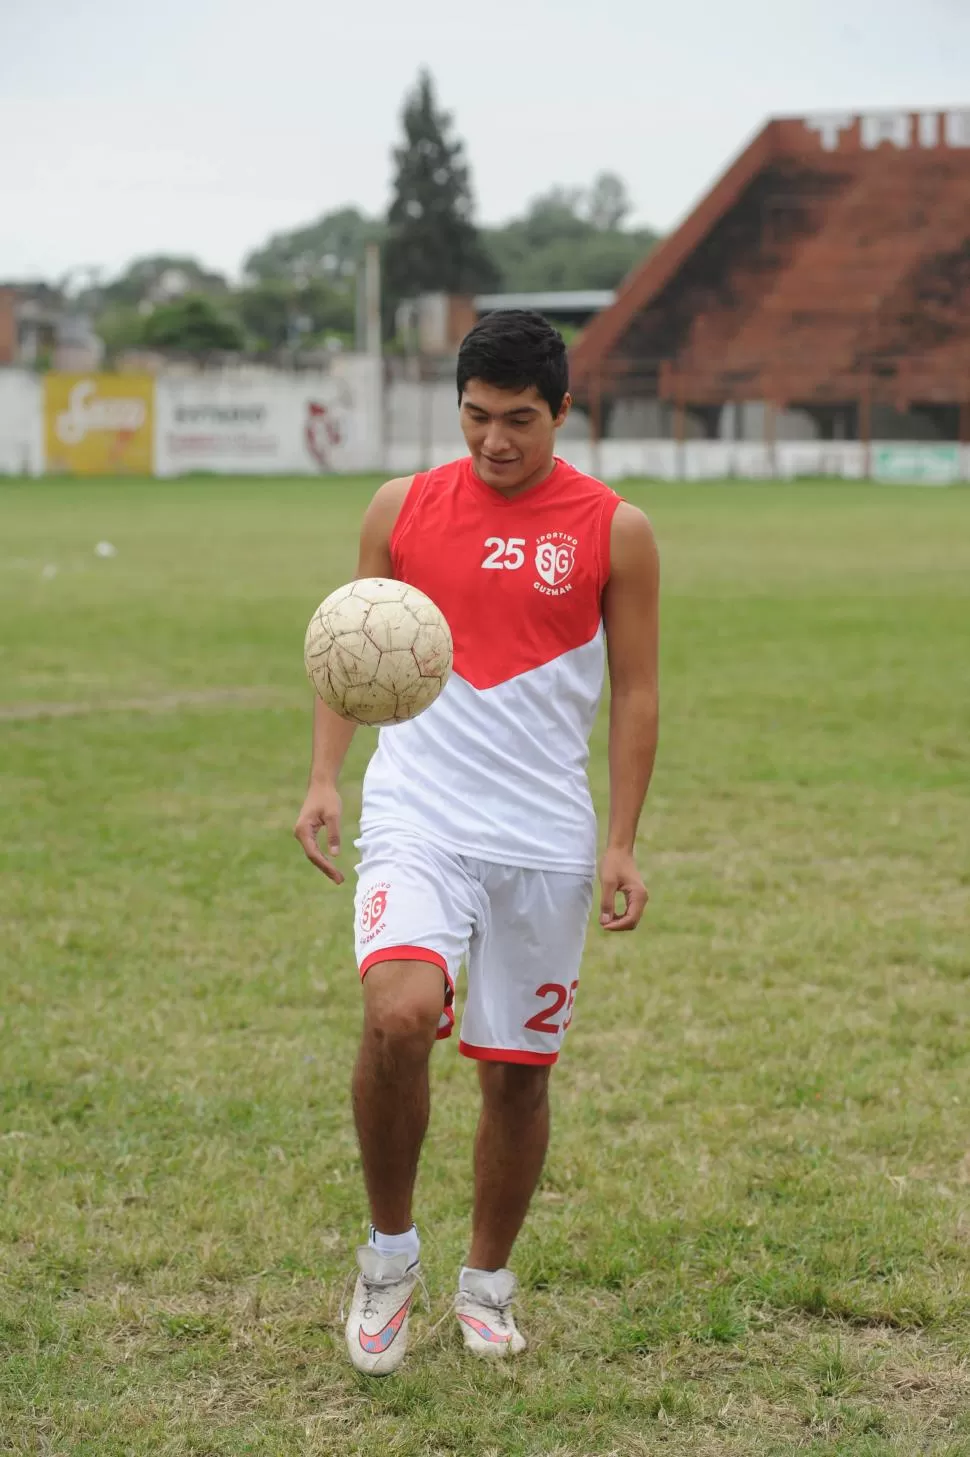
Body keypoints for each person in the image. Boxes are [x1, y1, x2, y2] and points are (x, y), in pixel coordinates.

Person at [294, 309, 659, 1376]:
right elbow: (350, 645)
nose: (494, 441)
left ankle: (487, 1279)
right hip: (420, 809)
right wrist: (325, 773)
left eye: (518, 421)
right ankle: (387, 1257)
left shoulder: (614, 528)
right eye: (475, 417)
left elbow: (636, 690)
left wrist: (622, 841)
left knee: (516, 1077)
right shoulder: (399, 507)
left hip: (544, 831)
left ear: (562, 413)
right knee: (401, 1013)